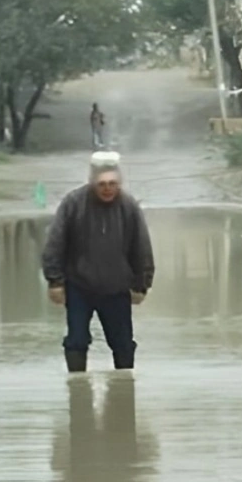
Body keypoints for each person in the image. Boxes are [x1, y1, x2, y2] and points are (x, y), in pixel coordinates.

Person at [41, 151, 154, 373]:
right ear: (93, 182)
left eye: (112, 183)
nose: (107, 189)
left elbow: (141, 248)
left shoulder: (129, 207)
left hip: (117, 288)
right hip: (79, 286)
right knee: (77, 340)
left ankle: (124, 392)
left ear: (119, 182)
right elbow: (55, 243)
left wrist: (141, 284)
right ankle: (77, 388)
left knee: (122, 343)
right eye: (102, 184)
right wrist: (55, 281)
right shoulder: (73, 203)